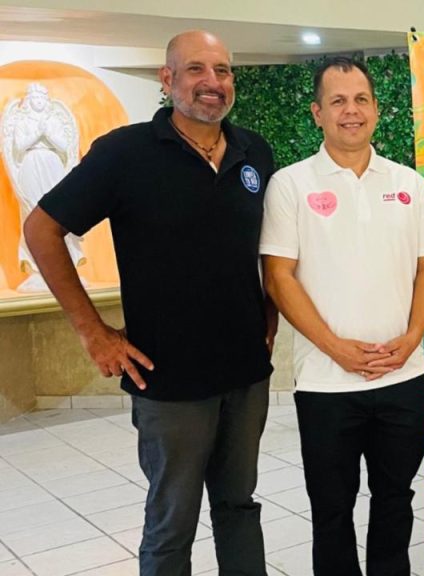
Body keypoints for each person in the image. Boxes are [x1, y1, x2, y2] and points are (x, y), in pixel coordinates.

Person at [23, 30, 276, 576]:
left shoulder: (255, 151)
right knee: (172, 524)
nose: (212, 82)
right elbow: (41, 229)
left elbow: (270, 248)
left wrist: (270, 319)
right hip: (168, 379)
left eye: (223, 70)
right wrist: (93, 331)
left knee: (239, 508)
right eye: (196, 69)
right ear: (167, 79)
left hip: (246, 373)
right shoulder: (125, 153)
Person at [260, 56, 424, 576]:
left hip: (403, 377)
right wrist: (337, 348)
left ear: (376, 110)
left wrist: (412, 337)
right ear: (317, 112)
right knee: (331, 509)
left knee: (395, 500)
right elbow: (279, 277)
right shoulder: (290, 185)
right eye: (338, 101)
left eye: (361, 99)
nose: (351, 111)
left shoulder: (409, 184)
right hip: (325, 385)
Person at [1, 82, 85, 292]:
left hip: (53, 165)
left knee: (59, 214)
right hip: (30, 165)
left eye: (42, 98)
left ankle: (64, 266)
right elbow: (19, 146)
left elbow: (64, 147)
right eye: (35, 98)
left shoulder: (53, 121)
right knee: (32, 213)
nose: (39, 102)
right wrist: (37, 134)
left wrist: (48, 133)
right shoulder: (22, 121)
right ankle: (38, 269)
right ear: (29, 101)